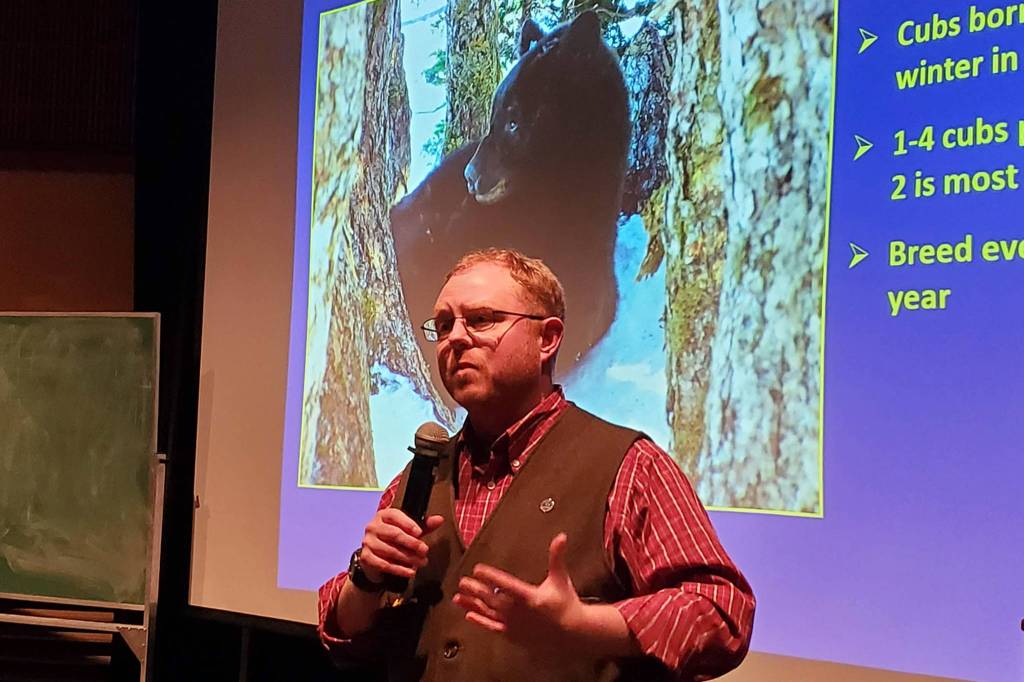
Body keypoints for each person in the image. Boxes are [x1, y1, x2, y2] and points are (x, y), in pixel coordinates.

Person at [317, 249, 755, 681]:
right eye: (445, 324)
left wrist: (585, 626)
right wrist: (366, 578)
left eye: (481, 319)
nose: (455, 338)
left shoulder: (630, 467)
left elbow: (720, 611)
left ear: (547, 338)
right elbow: (343, 636)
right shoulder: (419, 478)